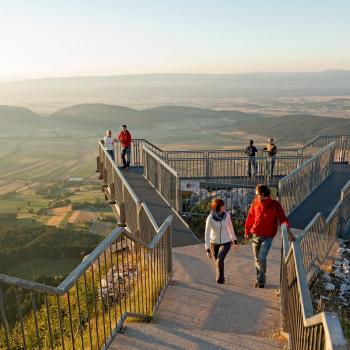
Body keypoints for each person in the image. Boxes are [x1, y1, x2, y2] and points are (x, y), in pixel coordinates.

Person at [245, 184, 289, 288]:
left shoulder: (275, 205)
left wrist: (287, 230)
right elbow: (250, 217)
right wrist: (247, 230)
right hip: (255, 234)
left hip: (268, 236)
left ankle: (261, 281)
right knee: (257, 259)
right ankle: (259, 278)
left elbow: (283, 218)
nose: (256, 196)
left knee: (262, 257)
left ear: (263, 194)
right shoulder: (255, 202)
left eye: (257, 194)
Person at [205, 198, 238, 284]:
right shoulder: (210, 218)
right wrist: (207, 249)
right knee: (217, 262)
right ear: (217, 207)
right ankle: (221, 277)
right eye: (223, 206)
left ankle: (220, 280)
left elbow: (230, 227)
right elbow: (207, 233)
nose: (225, 207)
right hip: (214, 243)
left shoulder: (227, 215)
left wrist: (234, 240)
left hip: (226, 241)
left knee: (220, 259)